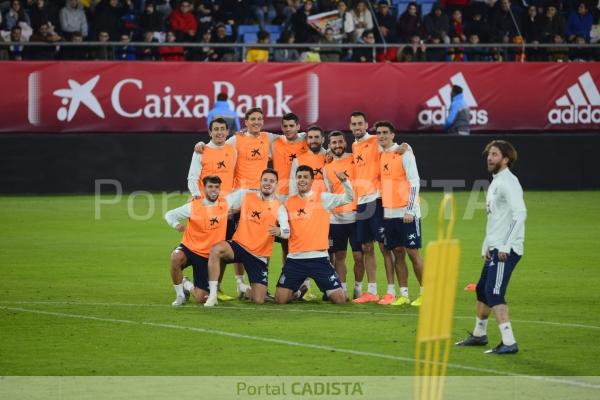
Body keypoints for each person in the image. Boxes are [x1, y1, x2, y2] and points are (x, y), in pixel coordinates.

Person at [456, 140, 526, 354]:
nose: (489, 158)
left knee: (494, 293)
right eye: (489, 154)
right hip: (496, 247)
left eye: (495, 154)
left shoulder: (509, 182)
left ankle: (509, 342)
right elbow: (496, 218)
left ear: (506, 159)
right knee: (482, 290)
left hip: (507, 250)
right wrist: (488, 244)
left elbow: (520, 213)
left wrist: (504, 245)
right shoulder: (496, 182)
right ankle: (479, 335)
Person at [205, 169, 290, 306]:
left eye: (271, 181)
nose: (268, 183)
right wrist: (204, 201)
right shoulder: (245, 195)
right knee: (216, 250)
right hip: (239, 245)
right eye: (265, 180)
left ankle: (245, 290)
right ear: (260, 182)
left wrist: (280, 231)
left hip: (259, 256)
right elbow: (221, 203)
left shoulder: (279, 206)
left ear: (276, 184)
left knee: (258, 300)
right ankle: (213, 294)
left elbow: (287, 232)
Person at [275, 165, 353, 305]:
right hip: (295, 259)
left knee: (340, 300)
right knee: (280, 300)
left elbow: (349, 198)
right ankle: (299, 291)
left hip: (319, 259)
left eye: (306, 177)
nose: (302, 180)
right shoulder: (288, 202)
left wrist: (345, 181)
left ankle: (328, 289)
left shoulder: (323, 198)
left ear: (312, 181)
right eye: (299, 177)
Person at [187, 117, 237, 300]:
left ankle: (218, 286)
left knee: (221, 249)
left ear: (227, 132)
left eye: (222, 129)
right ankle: (192, 284)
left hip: (225, 211)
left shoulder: (233, 150)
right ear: (210, 132)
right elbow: (192, 178)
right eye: (215, 129)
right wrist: (198, 199)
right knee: (201, 249)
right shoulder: (201, 151)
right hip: (205, 210)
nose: (219, 132)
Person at [376, 121, 423, 306]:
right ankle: (403, 294)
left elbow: (414, 181)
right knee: (397, 252)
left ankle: (425, 292)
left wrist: (410, 209)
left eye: (385, 132)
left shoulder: (404, 153)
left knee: (413, 252)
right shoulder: (380, 154)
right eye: (379, 133)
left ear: (393, 135)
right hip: (389, 213)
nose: (382, 136)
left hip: (407, 212)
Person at [164, 175, 231, 306]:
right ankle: (180, 296)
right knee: (175, 257)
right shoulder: (193, 206)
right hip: (189, 248)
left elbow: (244, 197)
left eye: (216, 187)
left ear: (220, 189)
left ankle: (186, 283)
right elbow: (169, 214)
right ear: (203, 188)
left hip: (208, 256)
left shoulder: (226, 204)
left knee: (201, 298)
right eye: (210, 186)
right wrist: (176, 225)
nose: (213, 190)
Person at [323, 130, 364, 300]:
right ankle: (343, 288)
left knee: (358, 256)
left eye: (340, 142)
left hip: (356, 216)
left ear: (345, 143)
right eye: (334, 143)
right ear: (329, 145)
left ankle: (358, 287)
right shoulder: (327, 167)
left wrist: (405, 146)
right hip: (337, 219)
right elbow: (329, 191)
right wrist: (332, 212)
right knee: (339, 255)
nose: (337, 145)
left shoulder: (354, 158)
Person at [289, 125, 327, 196]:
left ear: (323, 140)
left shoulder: (330, 157)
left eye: (316, 137)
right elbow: (293, 186)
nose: (313, 140)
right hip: (306, 203)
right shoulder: (298, 160)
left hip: (327, 203)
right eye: (310, 137)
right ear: (307, 140)